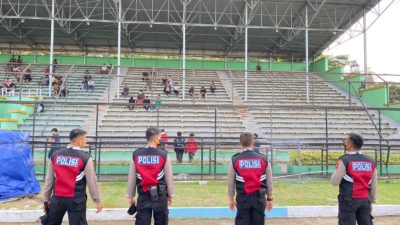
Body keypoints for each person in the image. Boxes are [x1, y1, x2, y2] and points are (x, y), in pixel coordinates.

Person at [43, 128, 103, 225]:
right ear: (80, 141)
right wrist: (97, 200)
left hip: (57, 199)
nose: (86, 141)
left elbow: (49, 180)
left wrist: (46, 199)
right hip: (76, 200)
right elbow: (92, 182)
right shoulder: (85, 157)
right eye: (85, 139)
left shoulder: (55, 155)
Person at [127, 127, 175, 225]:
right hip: (160, 196)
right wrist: (171, 195)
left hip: (143, 196)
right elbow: (169, 178)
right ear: (156, 138)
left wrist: (131, 196)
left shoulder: (136, 154)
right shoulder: (164, 154)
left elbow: (132, 178)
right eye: (160, 137)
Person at [331, 133, 377, 225]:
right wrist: (372, 199)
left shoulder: (344, 160)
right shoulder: (371, 161)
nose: (344, 141)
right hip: (365, 200)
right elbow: (374, 184)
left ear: (349, 144)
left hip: (348, 200)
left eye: (346, 140)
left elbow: (334, 182)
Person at [228, 132, 273, 225]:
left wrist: (231, 199)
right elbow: (269, 182)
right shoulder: (264, 159)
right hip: (259, 199)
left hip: (242, 199)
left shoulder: (235, 160)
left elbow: (230, 182)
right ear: (253, 142)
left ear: (240, 143)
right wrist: (269, 199)